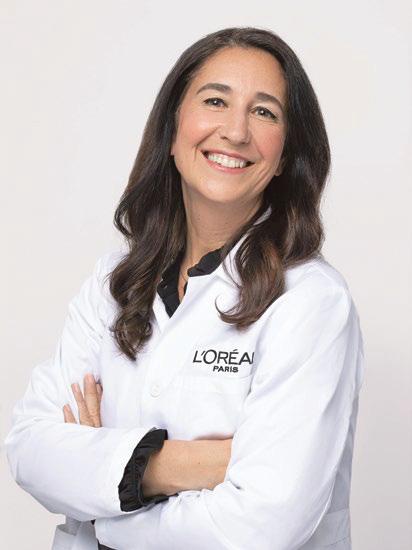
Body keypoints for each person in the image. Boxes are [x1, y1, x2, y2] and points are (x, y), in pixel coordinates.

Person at [4, 26, 365, 550]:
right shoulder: (112, 282)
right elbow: (29, 448)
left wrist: (104, 500)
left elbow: (262, 525)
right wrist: (177, 465)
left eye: (264, 112)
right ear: (172, 131)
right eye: (215, 101)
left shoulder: (311, 301)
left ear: (287, 154)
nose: (235, 131)